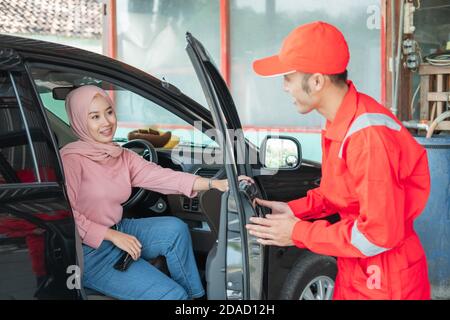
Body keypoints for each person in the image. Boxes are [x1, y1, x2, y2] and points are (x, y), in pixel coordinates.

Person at [246, 21, 431, 300]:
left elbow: (377, 235)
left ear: (317, 81)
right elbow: (338, 194)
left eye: (288, 77)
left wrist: (299, 232)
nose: (284, 87)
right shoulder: (343, 121)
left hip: (385, 280)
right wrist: (293, 210)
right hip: (358, 268)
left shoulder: (368, 137)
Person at [61, 85, 250, 300]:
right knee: (172, 295)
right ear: (79, 121)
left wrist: (214, 184)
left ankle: (196, 299)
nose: (106, 122)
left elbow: (162, 177)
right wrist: (112, 236)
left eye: (109, 112)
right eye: (95, 117)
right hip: (89, 252)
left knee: (175, 230)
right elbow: (67, 216)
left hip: (117, 228)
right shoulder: (71, 160)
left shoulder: (120, 154)